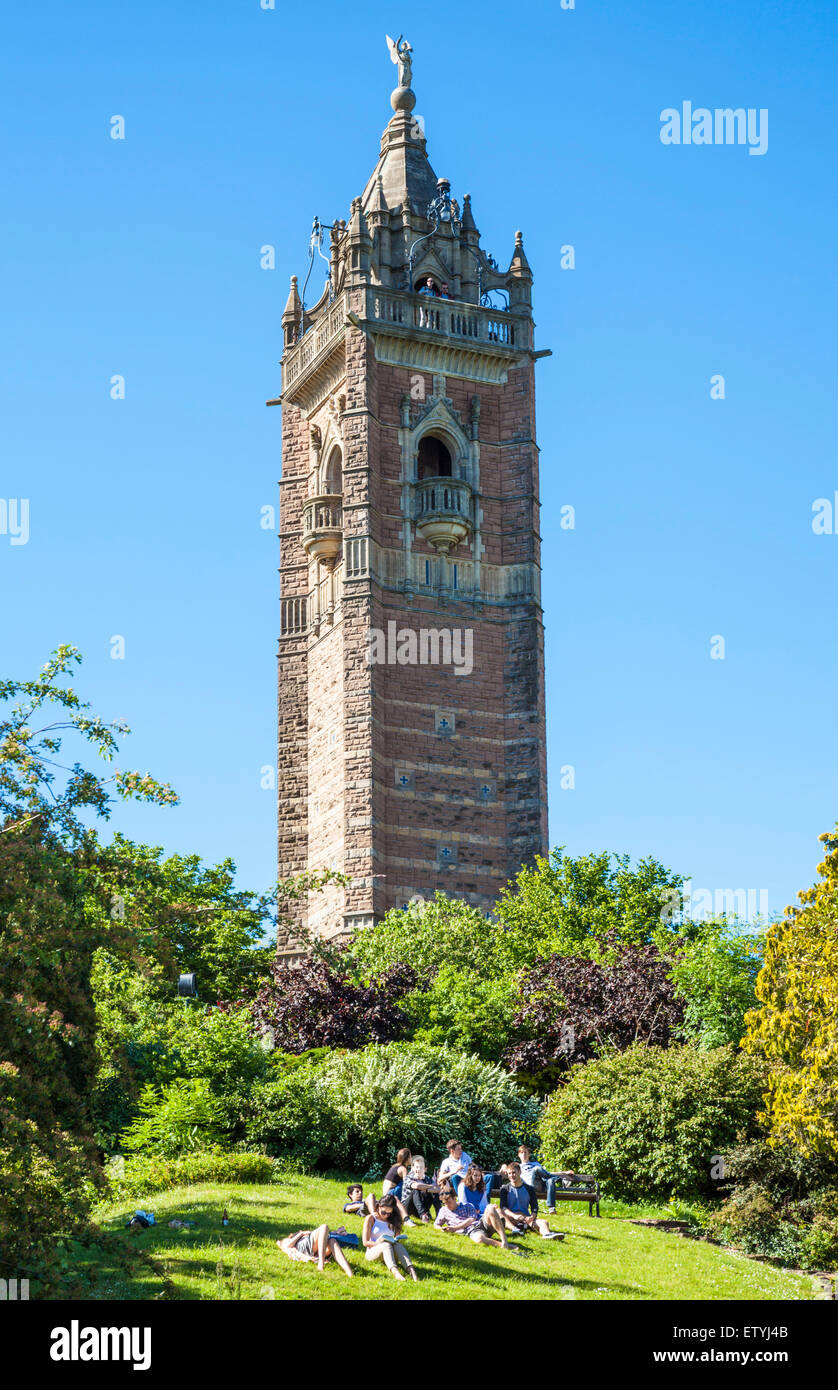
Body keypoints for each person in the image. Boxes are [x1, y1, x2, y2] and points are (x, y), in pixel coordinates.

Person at [434, 1183, 519, 1251]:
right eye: (444, 1203)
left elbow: (472, 1219)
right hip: (471, 1231)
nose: (447, 1205)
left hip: (480, 1224)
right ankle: (503, 1245)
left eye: (449, 1202)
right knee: (479, 1239)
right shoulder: (443, 1210)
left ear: (454, 1198)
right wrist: (442, 1229)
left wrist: (455, 1228)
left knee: (490, 1207)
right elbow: (436, 1224)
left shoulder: (467, 1205)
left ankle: (504, 1239)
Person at [498, 1161, 564, 1239]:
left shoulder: (529, 1189)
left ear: (520, 1172)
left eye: (514, 1172)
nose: (512, 1175)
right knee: (498, 1213)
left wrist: (531, 1217)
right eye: (509, 1173)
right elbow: (503, 1208)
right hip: (510, 1219)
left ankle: (547, 1234)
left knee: (543, 1222)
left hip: (525, 1219)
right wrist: (514, 1216)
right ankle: (515, 1230)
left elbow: (535, 1207)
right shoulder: (504, 1189)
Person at [361, 1194, 418, 1281]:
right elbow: (365, 1242)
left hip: (390, 1253)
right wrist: (379, 1243)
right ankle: (396, 1272)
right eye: (384, 1212)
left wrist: (398, 1240)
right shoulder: (371, 1218)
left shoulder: (393, 1220)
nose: (386, 1215)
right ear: (379, 1206)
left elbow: (396, 1239)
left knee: (398, 1245)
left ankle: (412, 1271)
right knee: (385, 1245)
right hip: (373, 1252)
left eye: (389, 1213)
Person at [516, 1144, 580, 1214]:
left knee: (548, 1178)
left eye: (525, 1152)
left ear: (529, 1155)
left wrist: (565, 1172)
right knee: (545, 1175)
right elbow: (509, 1172)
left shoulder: (535, 1164)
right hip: (528, 1187)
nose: (524, 1155)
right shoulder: (518, 1166)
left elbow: (547, 1173)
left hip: (539, 1186)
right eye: (522, 1153)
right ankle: (560, 1180)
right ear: (519, 1155)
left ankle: (551, 1208)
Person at [278, 1224, 354, 1277]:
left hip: (316, 1249)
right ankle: (321, 1264)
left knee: (332, 1240)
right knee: (324, 1227)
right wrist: (301, 1233)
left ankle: (349, 1272)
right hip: (304, 1246)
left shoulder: (312, 1236)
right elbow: (288, 1245)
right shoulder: (291, 1238)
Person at [401, 1155, 441, 1222]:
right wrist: (430, 1186)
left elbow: (438, 1189)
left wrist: (427, 1189)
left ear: (425, 1169)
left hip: (421, 1205)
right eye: (416, 1167)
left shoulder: (427, 1179)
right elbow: (416, 1186)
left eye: (421, 1167)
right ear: (412, 1167)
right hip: (408, 1207)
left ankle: (440, 1216)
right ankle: (423, 1215)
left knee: (434, 1193)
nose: (418, 1170)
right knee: (416, 1190)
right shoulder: (408, 1178)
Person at [382, 1147, 414, 1224]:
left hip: (386, 1194)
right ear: (407, 1158)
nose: (411, 1158)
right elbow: (407, 1182)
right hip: (391, 1193)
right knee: (406, 1184)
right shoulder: (403, 1169)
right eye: (410, 1157)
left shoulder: (395, 1166)